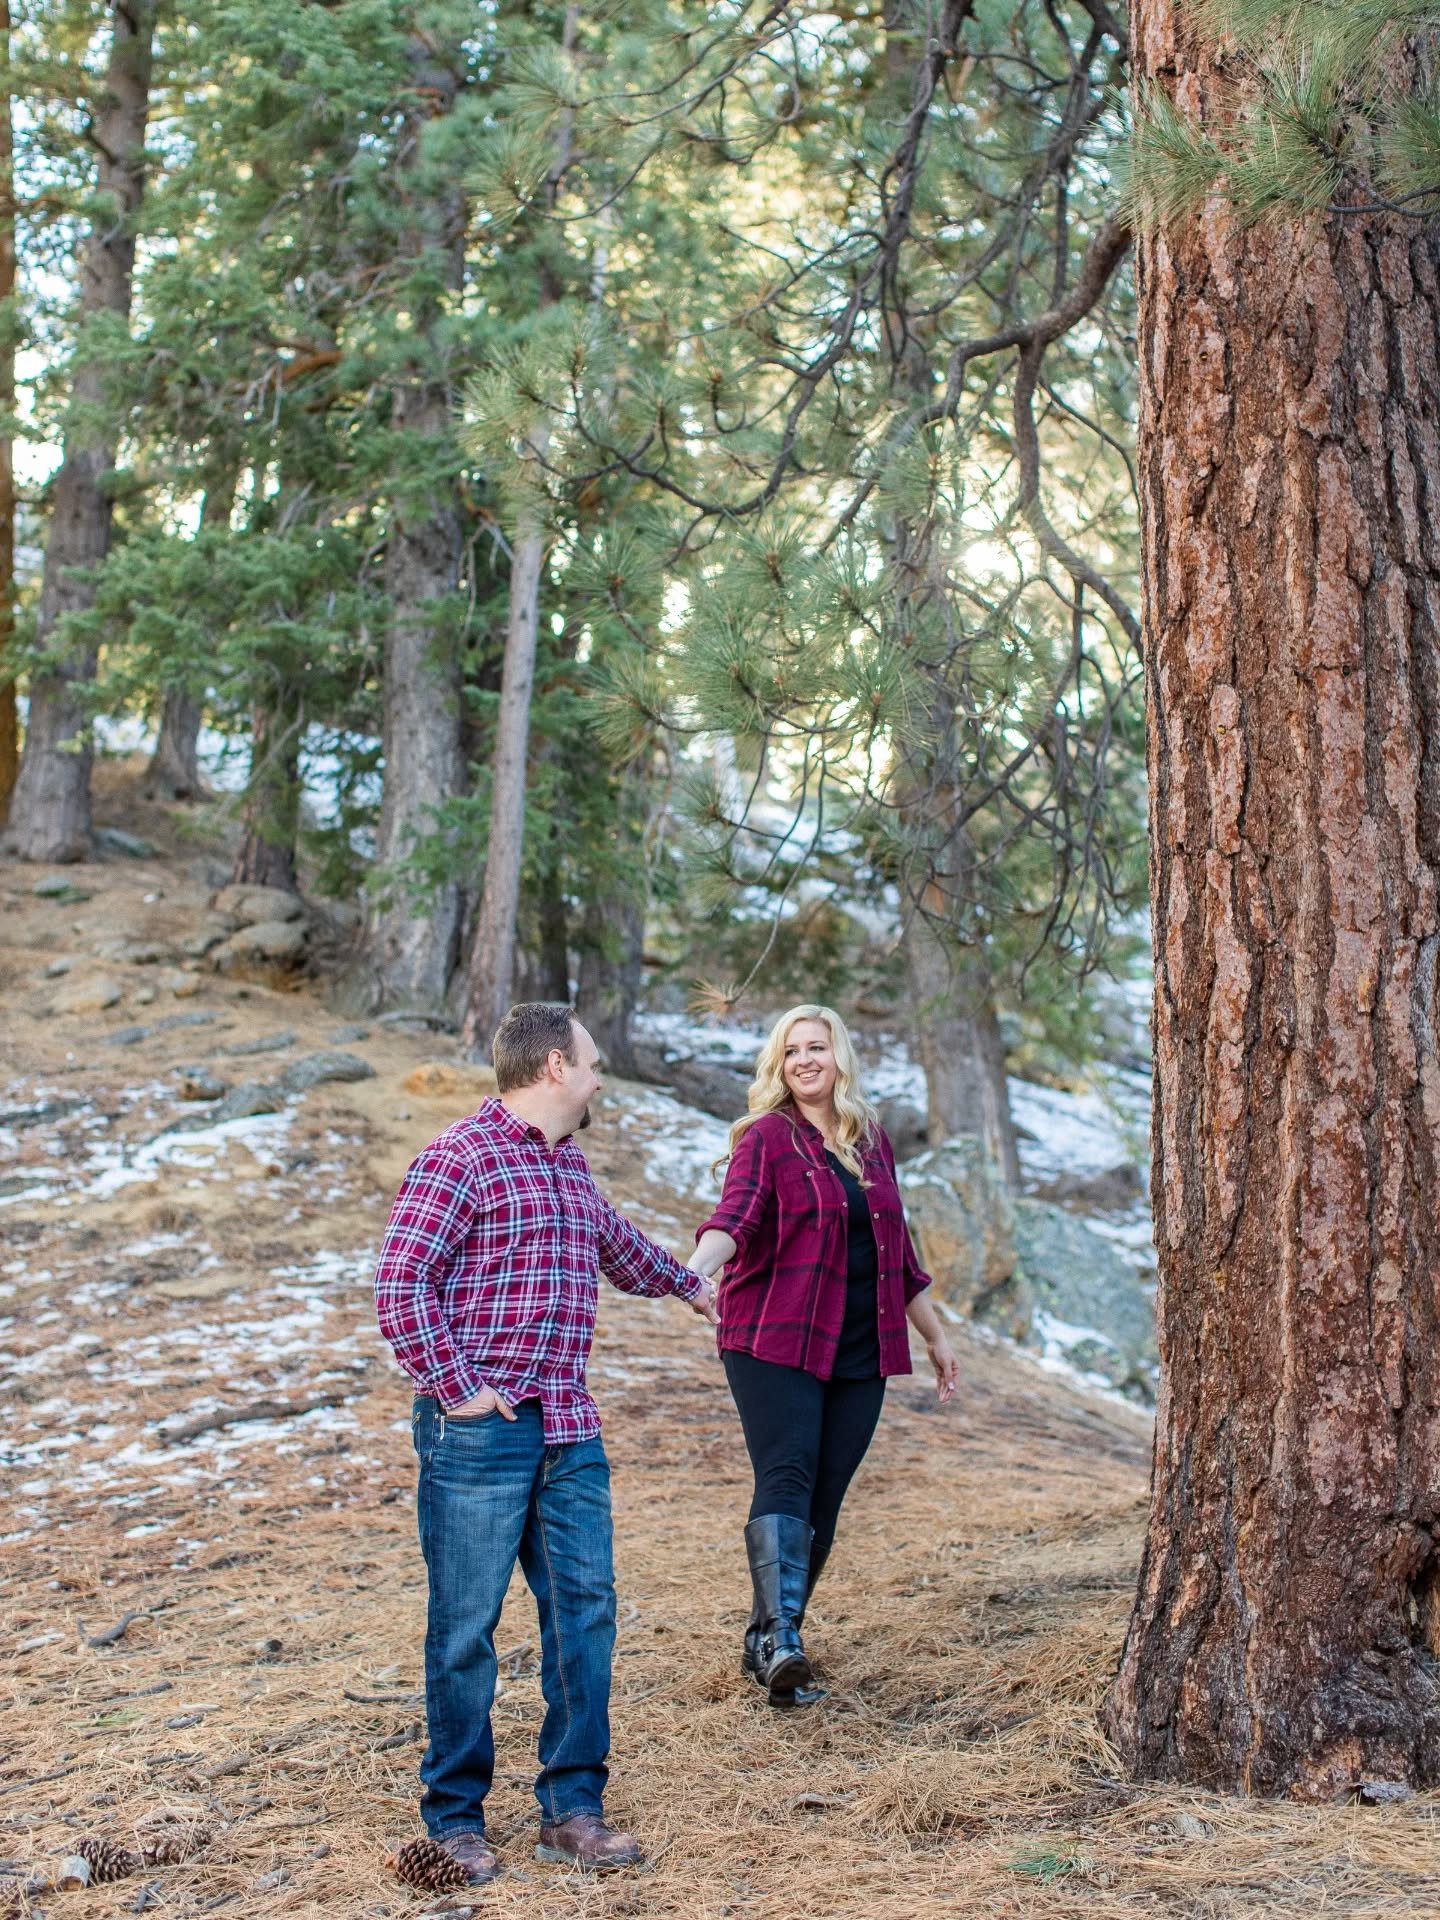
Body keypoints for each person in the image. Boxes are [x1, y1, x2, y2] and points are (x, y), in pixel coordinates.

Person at [374, 1002, 718, 1884]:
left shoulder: (569, 1167)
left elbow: (620, 1249)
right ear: (555, 1068)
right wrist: (460, 1390)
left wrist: (692, 1285)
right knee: (464, 1630)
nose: (602, 1077)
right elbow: (401, 1284)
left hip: (569, 1427)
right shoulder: (460, 1156)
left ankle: (572, 1810)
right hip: (481, 1434)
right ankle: (453, 1822)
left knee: (585, 1617)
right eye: (594, 1063)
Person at [688, 1003, 958, 1709]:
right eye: (792, 1050)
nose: (805, 1059)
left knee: (826, 1496)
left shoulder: (872, 1140)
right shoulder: (767, 1138)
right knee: (788, 1474)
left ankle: (771, 1641)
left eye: (817, 1046)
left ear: (840, 1056)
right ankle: (783, 1642)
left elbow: (897, 1252)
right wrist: (698, 1268)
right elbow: (734, 1220)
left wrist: (933, 1334)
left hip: (859, 1345)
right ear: (779, 1066)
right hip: (774, 1335)